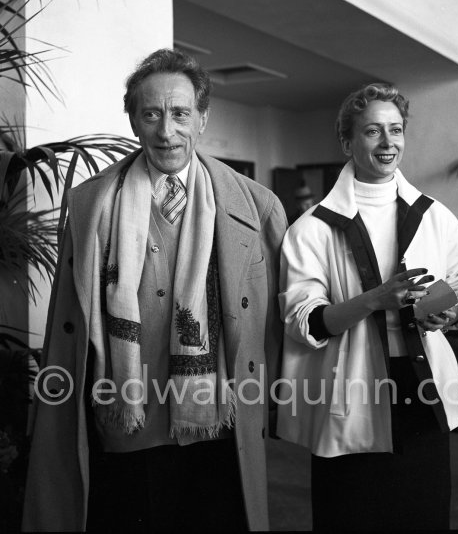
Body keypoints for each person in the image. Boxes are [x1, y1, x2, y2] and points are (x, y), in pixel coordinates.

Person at [22, 49, 287, 532]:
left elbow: (275, 321)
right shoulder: (89, 205)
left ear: (202, 119)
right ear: (134, 121)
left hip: (218, 424)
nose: (167, 130)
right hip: (125, 419)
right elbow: (68, 318)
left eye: (181, 113)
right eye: (152, 114)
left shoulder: (258, 205)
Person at [277, 83, 458, 531]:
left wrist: (452, 313)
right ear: (346, 141)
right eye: (372, 132)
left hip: (420, 386)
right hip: (352, 388)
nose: (388, 144)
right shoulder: (311, 229)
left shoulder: (436, 217)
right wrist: (375, 300)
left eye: (396, 130)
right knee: (351, 514)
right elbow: (302, 321)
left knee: (423, 513)